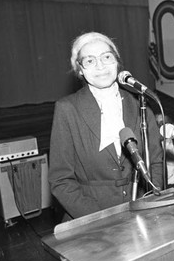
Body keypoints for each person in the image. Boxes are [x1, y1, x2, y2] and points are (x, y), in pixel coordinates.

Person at [49, 32, 163, 220]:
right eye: (90, 61)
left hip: (142, 214)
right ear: (80, 69)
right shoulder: (67, 109)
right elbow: (60, 181)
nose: (100, 66)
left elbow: (156, 162)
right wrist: (100, 219)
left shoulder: (140, 104)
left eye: (106, 57)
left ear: (117, 62)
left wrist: (148, 201)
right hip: (90, 219)